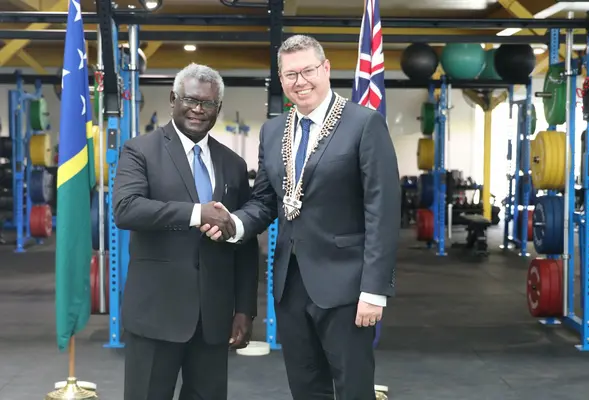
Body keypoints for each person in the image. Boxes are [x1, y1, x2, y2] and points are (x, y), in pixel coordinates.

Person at [202, 34, 401, 399]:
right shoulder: (273, 130)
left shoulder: (364, 124)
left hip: (347, 286)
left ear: (326, 69)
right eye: (290, 75)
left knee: (354, 387)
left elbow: (383, 211)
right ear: (281, 79)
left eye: (308, 70)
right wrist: (234, 224)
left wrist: (375, 290)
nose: (300, 81)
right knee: (306, 388)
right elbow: (265, 201)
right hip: (291, 285)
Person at [112, 63, 259, 400]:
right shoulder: (140, 151)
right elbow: (126, 208)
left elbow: (244, 242)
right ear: (172, 99)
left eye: (207, 104)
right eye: (190, 100)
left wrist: (244, 309)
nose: (197, 109)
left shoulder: (233, 164)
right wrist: (196, 213)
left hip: (213, 320)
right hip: (156, 315)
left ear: (217, 108)